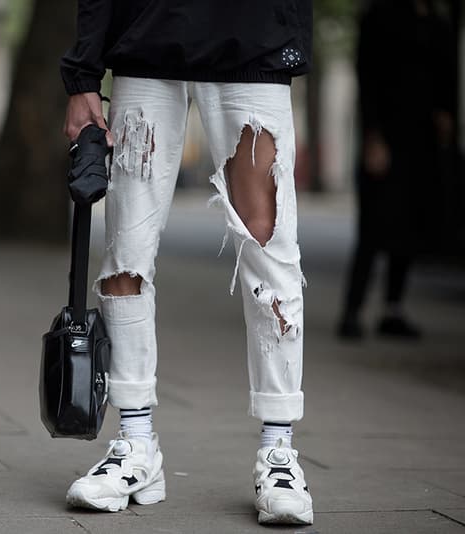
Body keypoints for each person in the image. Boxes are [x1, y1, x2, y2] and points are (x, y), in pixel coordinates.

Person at [60, 0, 314, 525]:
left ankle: (279, 452)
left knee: (271, 258)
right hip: (147, 41)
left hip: (253, 38)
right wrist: (84, 71)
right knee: (123, 261)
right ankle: (135, 445)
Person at [338, 0, 456, 340]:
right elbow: (368, 75)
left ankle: (393, 309)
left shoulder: (438, 20)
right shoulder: (381, 15)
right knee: (374, 224)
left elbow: (446, 76)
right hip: (387, 136)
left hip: (424, 141)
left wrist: (446, 116)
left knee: (411, 223)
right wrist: (373, 136)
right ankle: (352, 310)